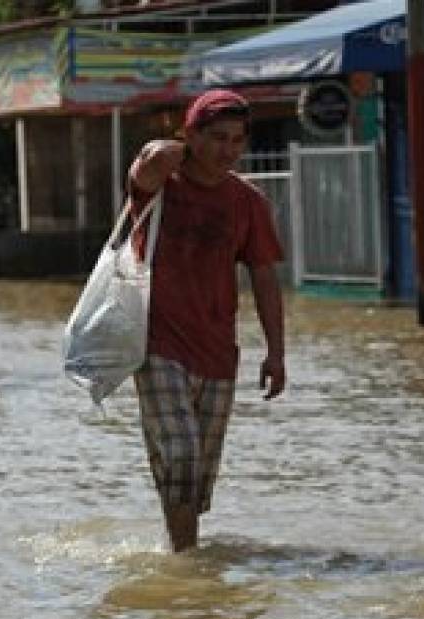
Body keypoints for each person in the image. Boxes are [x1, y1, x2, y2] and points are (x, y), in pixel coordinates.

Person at [127, 89, 286, 552]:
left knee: (197, 478)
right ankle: (186, 564)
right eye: (217, 138)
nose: (228, 151)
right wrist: (185, 146)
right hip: (156, 342)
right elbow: (148, 164)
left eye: (238, 140)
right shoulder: (161, 186)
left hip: (217, 352)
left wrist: (276, 352)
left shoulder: (248, 202)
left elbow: (264, 278)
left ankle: (180, 551)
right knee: (180, 454)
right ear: (190, 135)